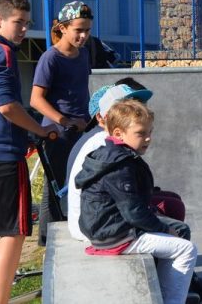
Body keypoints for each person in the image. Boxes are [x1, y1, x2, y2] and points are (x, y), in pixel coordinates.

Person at [76, 100, 197, 304]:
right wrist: (163, 229)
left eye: (150, 132)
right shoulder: (119, 165)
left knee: (179, 229)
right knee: (186, 249)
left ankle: (161, 290)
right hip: (115, 235)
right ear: (118, 134)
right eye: (141, 133)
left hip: (105, 228)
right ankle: (171, 300)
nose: (148, 138)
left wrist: (161, 223)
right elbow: (133, 212)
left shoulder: (112, 155)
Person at [0, 0, 58, 304]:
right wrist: (40, 129)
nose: (23, 29)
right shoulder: (4, 53)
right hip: (5, 155)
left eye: (27, 23)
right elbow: (7, 106)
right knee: (14, 231)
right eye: (18, 22)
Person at [30, 0, 93, 245]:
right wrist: (65, 121)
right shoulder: (50, 58)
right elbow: (36, 99)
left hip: (81, 130)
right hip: (58, 133)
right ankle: (48, 241)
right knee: (54, 188)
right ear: (63, 27)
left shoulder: (84, 54)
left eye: (87, 30)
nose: (83, 35)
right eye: (78, 29)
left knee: (82, 182)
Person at [66, 82, 154, 241]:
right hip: (97, 225)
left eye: (137, 104)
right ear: (104, 117)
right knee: (170, 210)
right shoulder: (105, 144)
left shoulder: (110, 140)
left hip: (98, 218)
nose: (135, 110)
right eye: (124, 107)